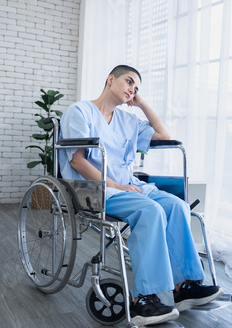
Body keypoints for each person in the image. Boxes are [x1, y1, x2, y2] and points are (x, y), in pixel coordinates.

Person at [58, 65, 223, 326]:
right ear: (110, 79)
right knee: (151, 211)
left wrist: (142, 103)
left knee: (177, 206)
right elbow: (77, 161)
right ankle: (143, 300)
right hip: (94, 189)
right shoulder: (79, 111)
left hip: (130, 186)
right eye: (129, 82)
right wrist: (117, 186)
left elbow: (163, 135)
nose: (132, 89)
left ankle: (184, 286)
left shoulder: (128, 120)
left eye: (136, 87)